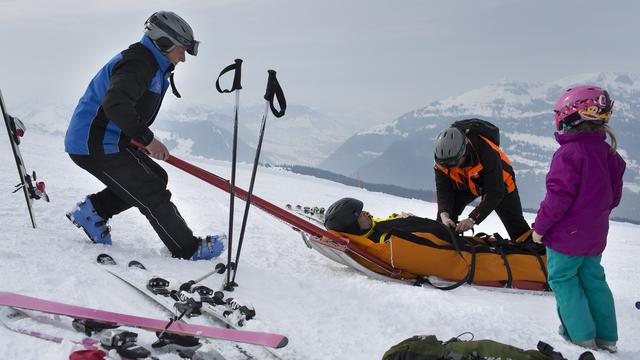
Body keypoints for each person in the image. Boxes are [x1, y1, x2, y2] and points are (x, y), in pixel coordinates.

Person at [64, 11, 224, 261]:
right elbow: (116, 105)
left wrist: (138, 139)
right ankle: (187, 249)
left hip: (110, 139)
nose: (183, 58)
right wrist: (148, 139)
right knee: (151, 191)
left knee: (156, 177)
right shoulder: (139, 63)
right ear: (164, 42)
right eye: (181, 50)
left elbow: (125, 108)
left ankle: (93, 211)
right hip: (93, 142)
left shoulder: (151, 63)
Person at [532, 85, 625, 352]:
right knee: (593, 279)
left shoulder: (569, 154)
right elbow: (614, 198)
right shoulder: (610, 155)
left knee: (563, 279)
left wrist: (540, 229)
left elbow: (557, 199)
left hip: (565, 237)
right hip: (595, 235)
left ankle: (580, 335)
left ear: (572, 116)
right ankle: (607, 338)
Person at [433, 123, 530, 241]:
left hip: (500, 183)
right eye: (446, 165)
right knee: (443, 223)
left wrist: (472, 219)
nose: (450, 168)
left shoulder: (488, 153)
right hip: (467, 182)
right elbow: (444, 191)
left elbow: (495, 193)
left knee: (516, 227)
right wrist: (444, 215)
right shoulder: (442, 162)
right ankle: (445, 249)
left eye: (454, 163)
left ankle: (536, 253)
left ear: (464, 151)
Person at [323, 197, 439, 243]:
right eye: (361, 215)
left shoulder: (372, 228)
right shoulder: (380, 241)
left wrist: (400, 218)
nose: (366, 213)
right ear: (353, 226)